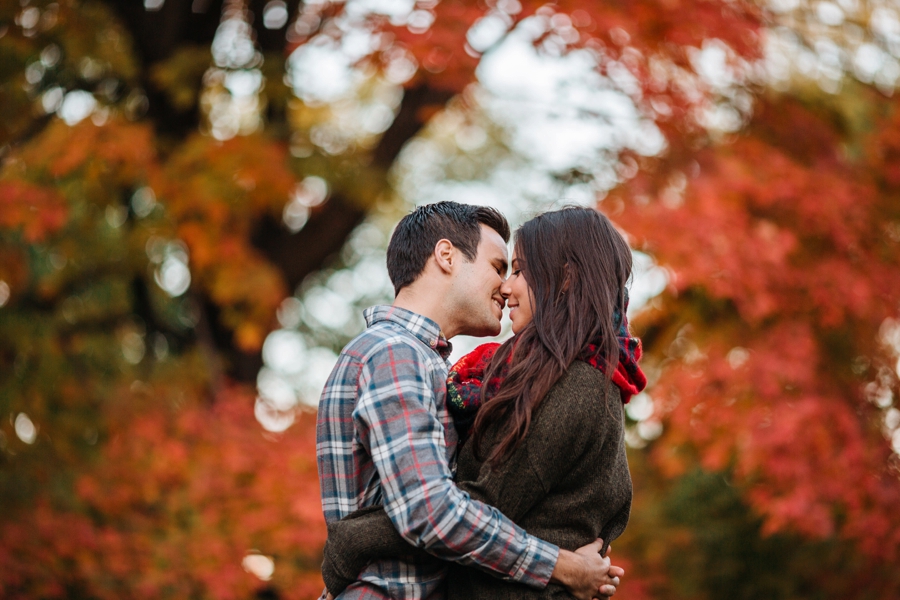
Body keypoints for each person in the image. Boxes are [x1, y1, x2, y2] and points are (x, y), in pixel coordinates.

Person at [321, 206, 645, 599]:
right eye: (500, 266)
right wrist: (562, 565)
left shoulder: (569, 382)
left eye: (518, 270)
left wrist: (348, 542)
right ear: (446, 256)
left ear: (565, 279)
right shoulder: (396, 355)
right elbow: (431, 509)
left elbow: (453, 503)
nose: (506, 285)